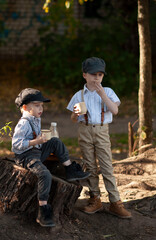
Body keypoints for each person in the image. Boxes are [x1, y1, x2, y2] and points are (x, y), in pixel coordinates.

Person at [12, 88, 90, 227]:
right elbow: (16, 145)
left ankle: (70, 169)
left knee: (55, 141)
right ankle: (43, 210)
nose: (41, 108)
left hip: (36, 151)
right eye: (37, 105)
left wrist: (41, 141)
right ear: (25, 107)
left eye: (42, 105)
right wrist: (36, 142)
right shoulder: (24, 123)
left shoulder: (35, 119)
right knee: (45, 174)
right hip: (26, 157)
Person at [67, 57, 132, 218]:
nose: (96, 78)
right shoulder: (79, 94)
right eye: (93, 74)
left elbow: (114, 111)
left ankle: (115, 202)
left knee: (107, 166)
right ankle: (95, 198)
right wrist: (76, 114)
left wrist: (102, 94)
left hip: (102, 131)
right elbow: (73, 119)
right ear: (85, 75)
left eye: (100, 75)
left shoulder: (108, 92)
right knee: (90, 166)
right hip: (85, 130)